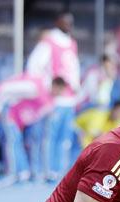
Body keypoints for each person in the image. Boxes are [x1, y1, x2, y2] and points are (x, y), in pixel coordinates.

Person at [26, 12, 80, 180]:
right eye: (65, 21)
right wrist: (47, 86)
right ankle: (45, 170)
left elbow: (74, 67)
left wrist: (76, 85)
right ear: (57, 22)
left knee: (64, 138)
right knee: (48, 136)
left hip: (69, 100)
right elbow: (34, 67)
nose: (68, 25)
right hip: (54, 99)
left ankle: (60, 171)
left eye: (71, 22)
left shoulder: (71, 43)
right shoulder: (48, 42)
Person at [0, 74, 66, 180]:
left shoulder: (51, 100)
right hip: (11, 113)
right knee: (13, 141)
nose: (60, 94)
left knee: (20, 142)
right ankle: (12, 173)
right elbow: (7, 88)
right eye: (60, 90)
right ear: (54, 85)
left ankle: (23, 171)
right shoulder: (35, 88)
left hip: (21, 122)